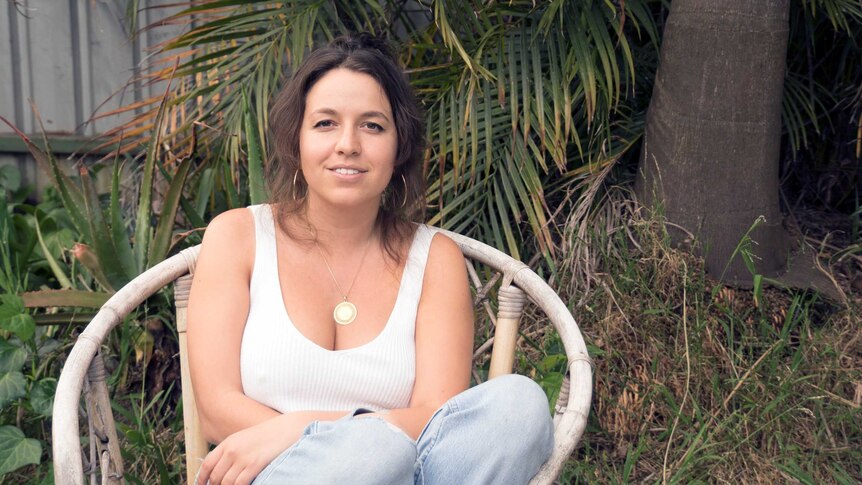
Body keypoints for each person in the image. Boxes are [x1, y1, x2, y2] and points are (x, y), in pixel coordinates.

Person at [187, 33, 553, 485]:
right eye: (325, 124)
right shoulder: (239, 237)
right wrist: (340, 439)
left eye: (372, 126)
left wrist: (300, 425)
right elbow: (216, 409)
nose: (348, 145)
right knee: (372, 450)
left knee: (519, 405)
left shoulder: (434, 258)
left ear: (399, 147)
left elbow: (437, 420)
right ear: (295, 139)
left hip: (405, 472)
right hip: (278, 475)